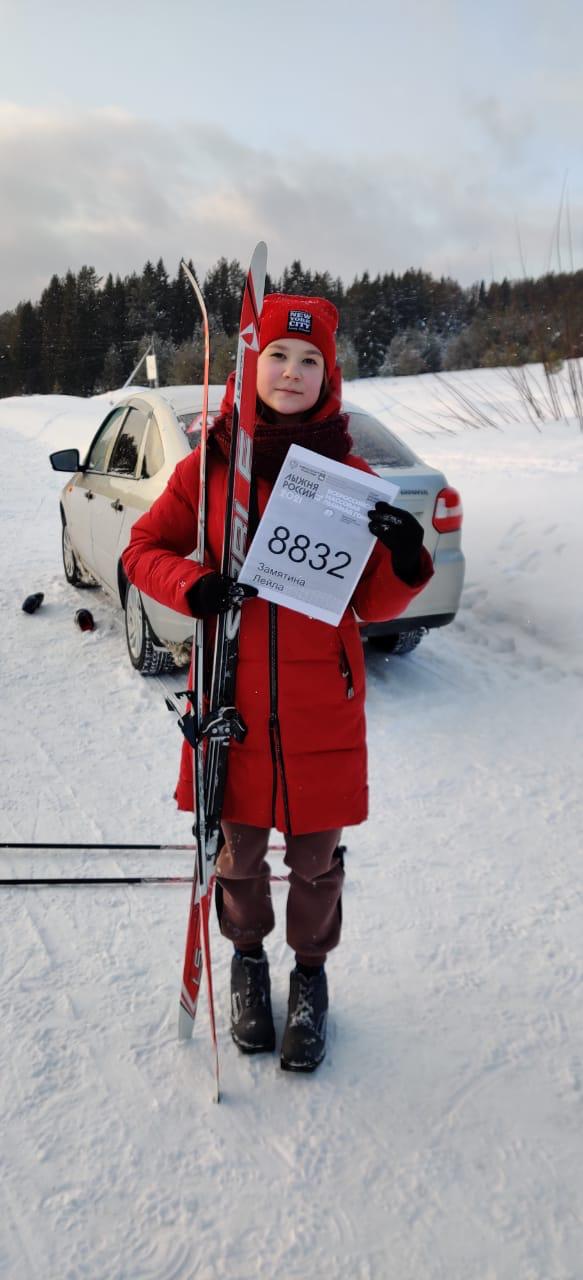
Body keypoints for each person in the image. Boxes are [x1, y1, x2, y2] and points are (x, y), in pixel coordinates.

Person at [122, 293, 433, 1073]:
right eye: (277, 357)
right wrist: (192, 584)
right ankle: (248, 963)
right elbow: (140, 550)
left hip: (320, 710)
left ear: (328, 376)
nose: (291, 372)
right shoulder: (208, 467)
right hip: (230, 704)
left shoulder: (349, 478)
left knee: (317, 864)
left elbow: (372, 602)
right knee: (237, 859)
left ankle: (310, 979)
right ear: (249, 367)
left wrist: (403, 559)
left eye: (309, 360)